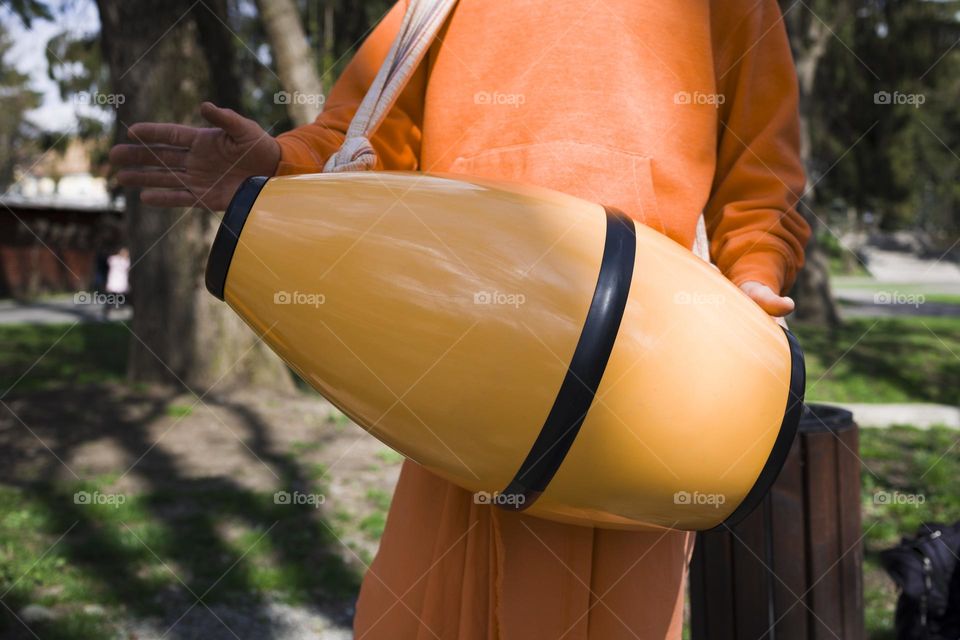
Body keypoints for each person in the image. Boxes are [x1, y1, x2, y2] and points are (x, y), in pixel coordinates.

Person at [110, 1, 811, 637]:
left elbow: (761, 185)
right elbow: (361, 142)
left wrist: (752, 288)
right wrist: (273, 168)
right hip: (458, 371)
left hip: (641, 385)